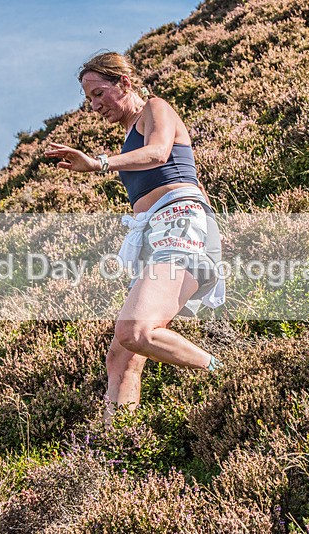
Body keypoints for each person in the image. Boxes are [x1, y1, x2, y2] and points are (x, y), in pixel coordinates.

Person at [45, 51, 224, 423]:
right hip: (157, 234)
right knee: (120, 357)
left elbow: (159, 154)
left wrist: (99, 163)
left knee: (134, 331)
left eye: (98, 94)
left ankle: (225, 370)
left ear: (123, 83)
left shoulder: (155, 108)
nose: (94, 106)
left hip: (179, 224)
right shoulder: (130, 134)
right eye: (88, 100)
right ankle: (118, 442)